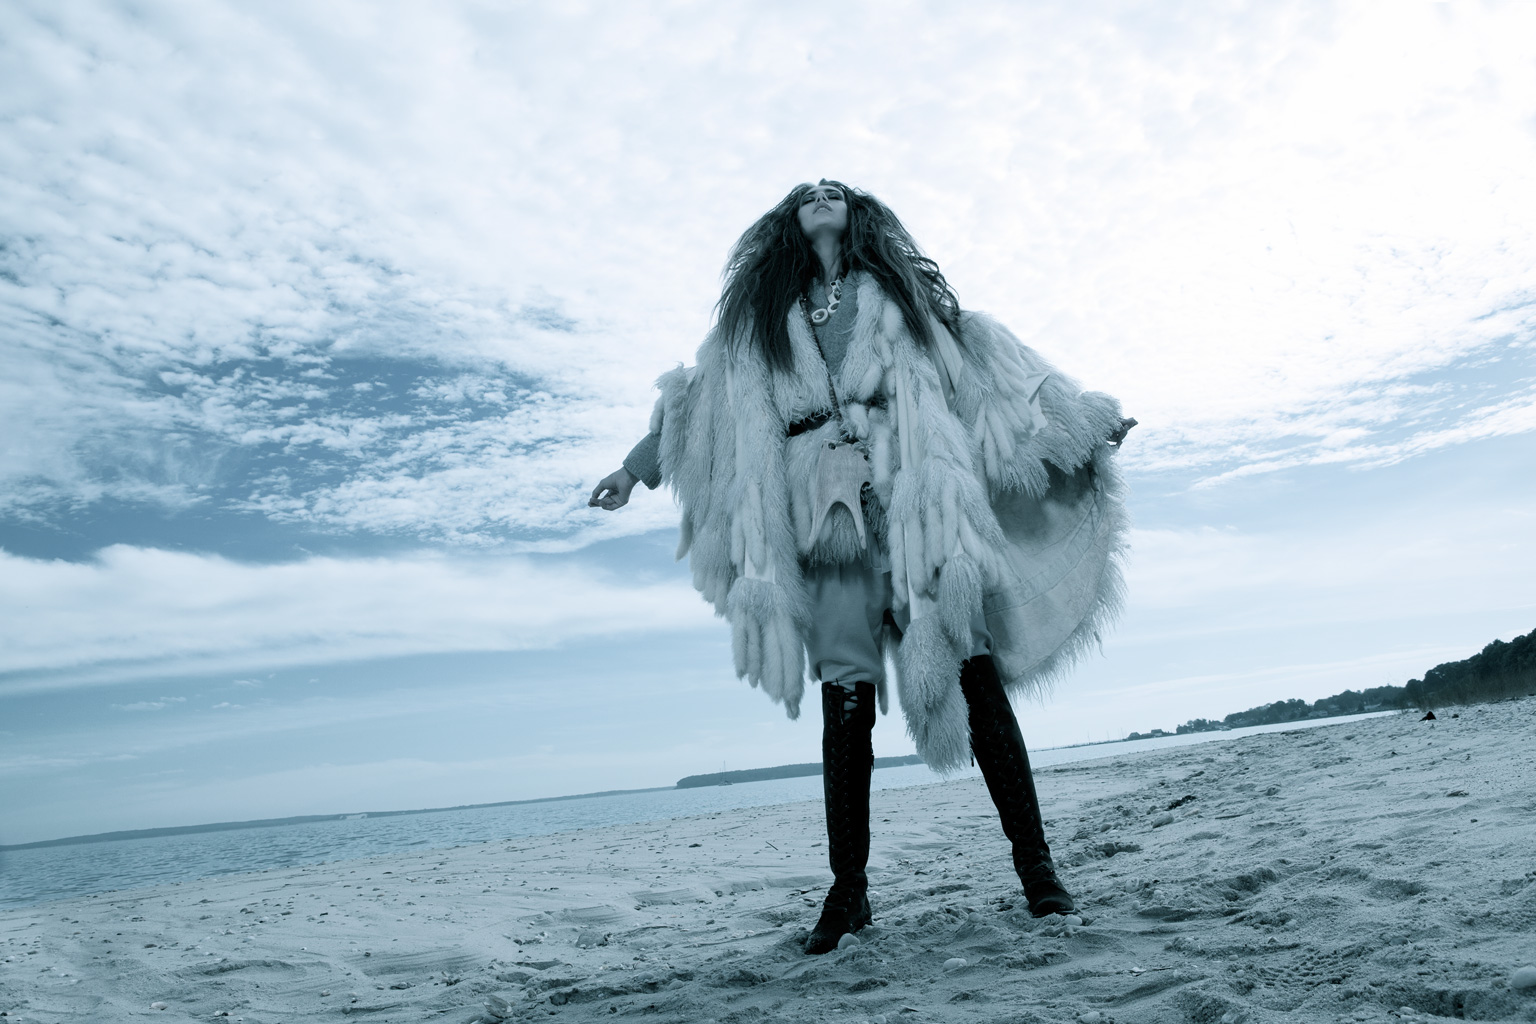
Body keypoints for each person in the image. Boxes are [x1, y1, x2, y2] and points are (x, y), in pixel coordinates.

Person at [590, 180, 1133, 955]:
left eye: (835, 190)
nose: (821, 193)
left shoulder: (905, 300)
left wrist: (1078, 422)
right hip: (828, 523)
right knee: (845, 700)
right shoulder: (758, 322)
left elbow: (990, 368)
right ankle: (849, 892)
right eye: (807, 193)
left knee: (973, 675)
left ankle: (1038, 869)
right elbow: (702, 406)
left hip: (918, 504)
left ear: (857, 215)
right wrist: (633, 470)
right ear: (788, 222)